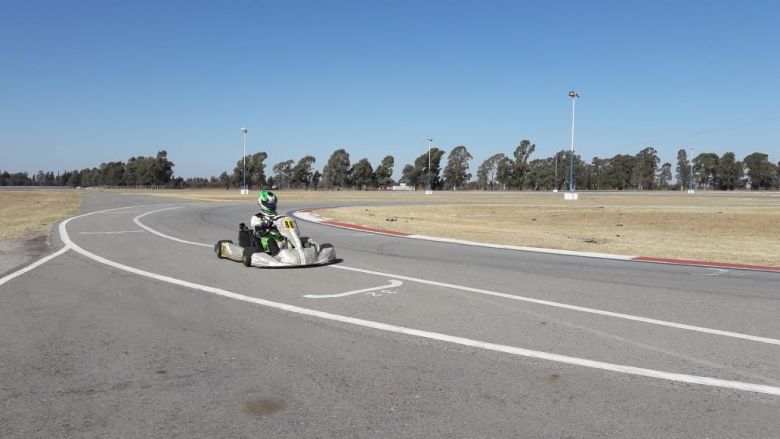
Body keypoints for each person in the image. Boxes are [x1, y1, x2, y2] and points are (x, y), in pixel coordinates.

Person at [249, 190, 281, 255]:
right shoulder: (257, 217)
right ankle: (277, 255)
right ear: (262, 203)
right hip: (264, 239)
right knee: (271, 241)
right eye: (269, 205)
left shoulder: (278, 216)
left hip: (278, 238)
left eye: (273, 204)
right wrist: (265, 224)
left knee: (290, 241)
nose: (271, 206)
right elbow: (256, 227)